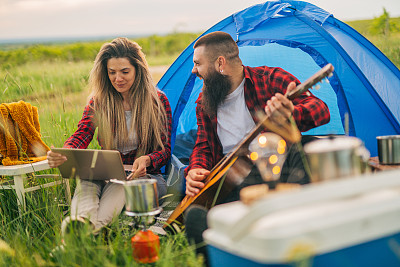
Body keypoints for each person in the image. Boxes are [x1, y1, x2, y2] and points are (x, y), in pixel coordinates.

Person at [183, 31, 330, 263]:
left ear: (220, 63)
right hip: (234, 182)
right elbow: (202, 145)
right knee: (193, 216)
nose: (194, 70)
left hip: (275, 169)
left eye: (198, 64)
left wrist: (291, 113)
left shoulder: (270, 79)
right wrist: (195, 170)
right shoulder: (204, 102)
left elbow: (320, 109)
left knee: (304, 146)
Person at [47, 37, 172, 233]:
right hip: (107, 172)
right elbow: (82, 134)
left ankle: (87, 231)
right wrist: (66, 152)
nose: (117, 78)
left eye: (124, 72)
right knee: (87, 180)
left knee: (121, 183)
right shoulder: (99, 101)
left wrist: (147, 160)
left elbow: (164, 150)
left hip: (146, 177)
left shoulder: (158, 101)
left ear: (138, 70)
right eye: (111, 72)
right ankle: (84, 225)